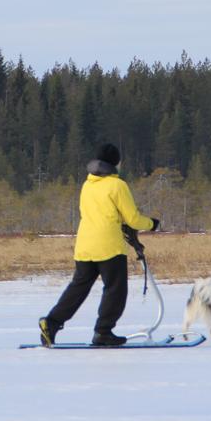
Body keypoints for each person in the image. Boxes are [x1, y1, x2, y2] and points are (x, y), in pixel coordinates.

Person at [39, 143, 160, 347]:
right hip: (109, 247)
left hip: (85, 245)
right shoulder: (117, 185)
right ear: (115, 163)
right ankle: (103, 331)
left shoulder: (88, 185)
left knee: (78, 288)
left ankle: (51, 323)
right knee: (115, 289)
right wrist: (152, 224)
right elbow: (132, 218)